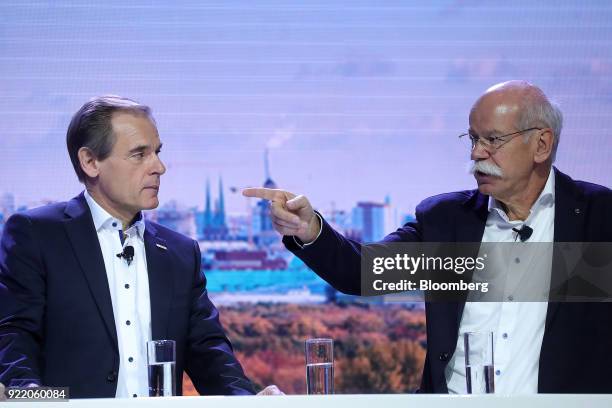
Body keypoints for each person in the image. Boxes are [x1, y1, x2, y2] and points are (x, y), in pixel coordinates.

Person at [243, 80, 612, 393]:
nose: (476, 153)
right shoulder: (447, 221)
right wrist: (311, 231)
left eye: (493, 140)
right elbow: (364, 271)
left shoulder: (599, 220)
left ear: (542, 144)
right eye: (472, 138)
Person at [0, 96, 264, 398]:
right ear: (90, 161)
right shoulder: (38, 234)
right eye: (139, 154)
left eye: (157, 152)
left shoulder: (180, 253)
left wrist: (248, 402)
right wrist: (33, 400)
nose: (159, 167)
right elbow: (14, 338)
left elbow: (210, 354)